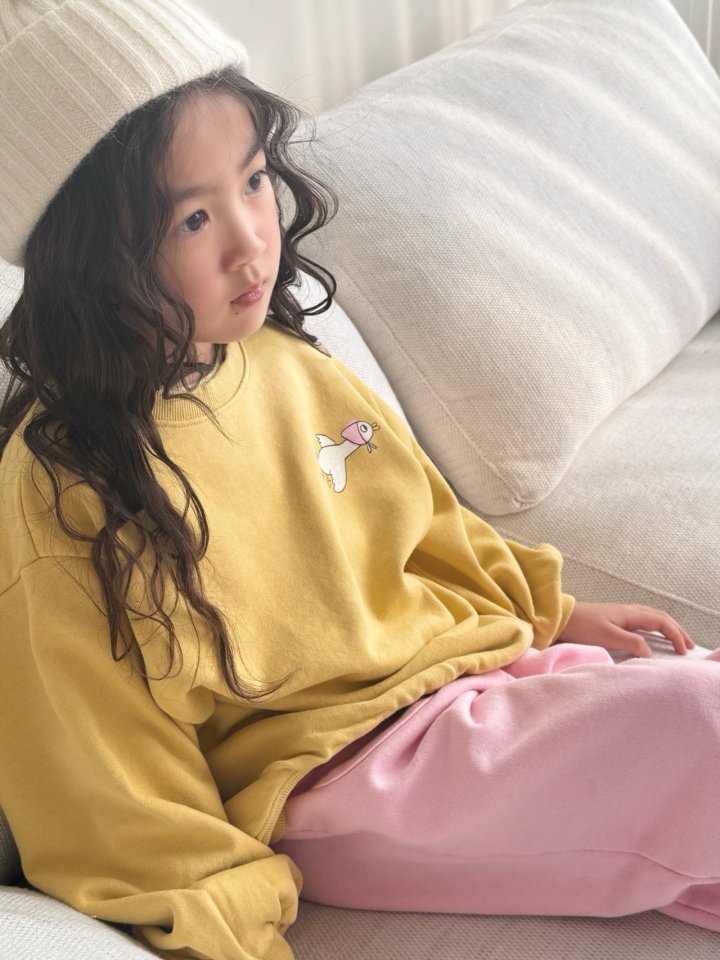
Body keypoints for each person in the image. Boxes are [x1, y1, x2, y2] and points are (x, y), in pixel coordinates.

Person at [0, 2, 718, 959]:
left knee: (697, 694)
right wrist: (227, 924)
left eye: (255, 180)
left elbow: (422, 521)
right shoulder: (63, 489)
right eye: (193, 218)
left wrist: (549, 610)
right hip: (339, 775)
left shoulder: (280, 357)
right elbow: (101, 770)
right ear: (88, 254)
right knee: (698, 725)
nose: (252, 242)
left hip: (462, 680)